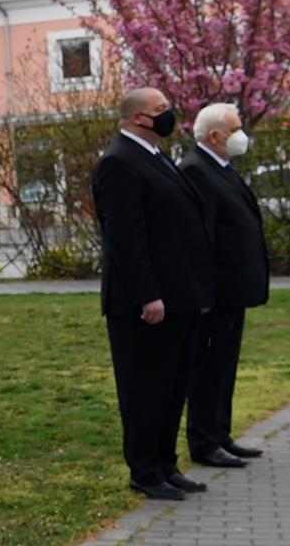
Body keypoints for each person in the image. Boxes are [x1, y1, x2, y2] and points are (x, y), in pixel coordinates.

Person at [92, 88, 215, 501]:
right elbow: (124, 237)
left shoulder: (157, 157)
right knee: (145, 388)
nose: (170, 115)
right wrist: (148, 295)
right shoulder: (118, 162)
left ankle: (165, 464)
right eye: (161, 110)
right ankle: (144, 470)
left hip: (178, 296)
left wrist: (195, 290)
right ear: (138, 118)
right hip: (143, 304)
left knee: (172, 385)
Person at [179, 103, 270, 468]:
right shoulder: (196, 171)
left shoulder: (221, 168)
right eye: (235, 128)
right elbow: (200, 237)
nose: (241, 134)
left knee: (224, 363)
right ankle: (203, 441)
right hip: (216, 292)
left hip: (233, 290)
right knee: (208, 365)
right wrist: (203, 290)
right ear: (215, 136)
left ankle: (220, 433)